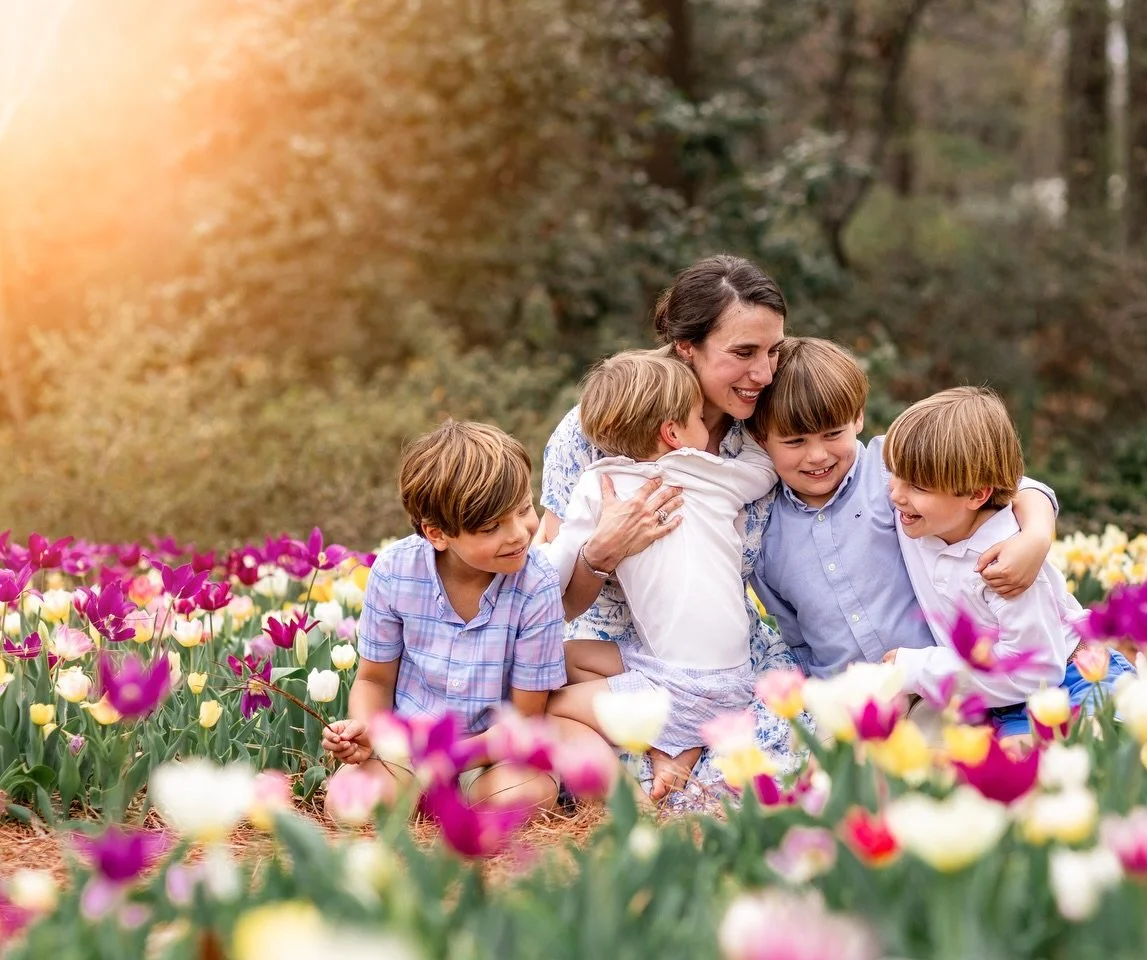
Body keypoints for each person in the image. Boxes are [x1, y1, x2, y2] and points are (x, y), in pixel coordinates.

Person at [536, 255, 793, 800]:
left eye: (774, 351)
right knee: (572, 719)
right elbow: (547, 595)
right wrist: (599, 553)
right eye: (743, 353)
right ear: (686, 347)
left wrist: (1028, 510)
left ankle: (683, 751)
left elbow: (861, 472)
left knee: (775, 766)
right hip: (610, 643)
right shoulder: (593, 430)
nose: (765, 374)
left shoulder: (770, 425)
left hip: (720, 652)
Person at [747, 339, 1059, 731]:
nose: (817, 456)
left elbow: (1001, 484)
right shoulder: (763, 530)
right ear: (761, 440)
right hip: (849, 706)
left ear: (858, 417)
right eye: (795, 442)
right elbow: (797, 638)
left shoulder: (894, 469)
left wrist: (1036, 535)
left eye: (832, 434)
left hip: (940, 690)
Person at [322, 419, 601, 817]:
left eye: (524, 509)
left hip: (493, 753)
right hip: (409, 748)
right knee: (348, 804)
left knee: (523, 793)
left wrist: (447, 760)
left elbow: (525, 717)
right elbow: (374, 679)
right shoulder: (394, 571)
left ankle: (448, 803)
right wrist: (365, 730)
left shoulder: (536, 584)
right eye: (491, 527)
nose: (519, 534)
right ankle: (415, 795)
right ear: (437, 534)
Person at [883, 387, 1134, 746]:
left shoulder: (1005, 566)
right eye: (894, 474)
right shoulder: (919, 515)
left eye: (917, 486)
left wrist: (918, 669)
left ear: (976, 494)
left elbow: (1036, 670)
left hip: (1073, 680)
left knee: (1089, 754)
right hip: (1002, 700)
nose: (895, 494)